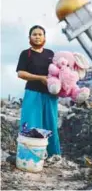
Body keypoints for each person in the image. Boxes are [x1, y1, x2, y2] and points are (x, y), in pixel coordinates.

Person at [16, 25, 61, 157]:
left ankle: (53, 155)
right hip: (33, 93)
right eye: (34, 34)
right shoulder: (26, 54)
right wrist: (40, 78)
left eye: (40, 34)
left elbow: (58, 71)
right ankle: (30, 155)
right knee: (31, 123)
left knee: (51, 124)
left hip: (50, 95)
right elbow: (20, 73)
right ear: (29, 37)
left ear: (44, 37)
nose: (37, 37)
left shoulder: (50, 54)